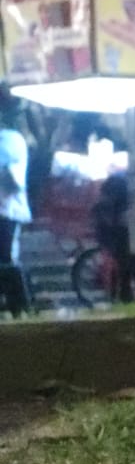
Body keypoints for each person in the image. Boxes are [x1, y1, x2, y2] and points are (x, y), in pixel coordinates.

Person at [0, 115, 32, 318]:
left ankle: (20, 307)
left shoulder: (9, 140)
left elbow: (11, 178)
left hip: (7, 210)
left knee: (7, 259)